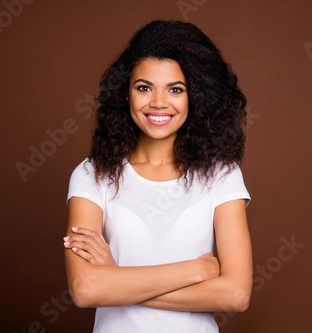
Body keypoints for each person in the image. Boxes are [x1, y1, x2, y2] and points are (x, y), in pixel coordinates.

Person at [63, 20, 252, 333]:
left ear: (197, 97)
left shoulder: (222, 175)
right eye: (144, 87)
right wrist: (195, 269)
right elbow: (86, 290)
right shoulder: (92, 174)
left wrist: (118, 280)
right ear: (125, 94)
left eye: (175, 89)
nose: (159, 102)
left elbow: (235, 294)